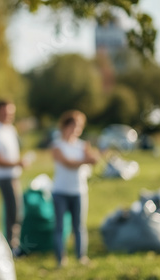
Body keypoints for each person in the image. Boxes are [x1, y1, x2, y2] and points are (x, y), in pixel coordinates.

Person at [51, 110, 99, 268]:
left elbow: (94, 160)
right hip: (60, 192)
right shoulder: (57, 146)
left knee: (79, 227)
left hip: (79, 191)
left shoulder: (82, 145)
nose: (76, 129)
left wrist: (89, 156)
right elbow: (68, 163)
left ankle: (81, 257)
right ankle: (60, 259)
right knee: (60, 227)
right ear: (65, 126)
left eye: (79, 126)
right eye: (73, 125)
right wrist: (86, 159)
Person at [0, 101, 29, 250]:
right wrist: (17, 163)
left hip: (14, 175)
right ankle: (11, 246)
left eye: (10, 112)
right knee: (13, 211)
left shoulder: (10, 129)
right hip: (4, 177)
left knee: (16, 211)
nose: (8, 115)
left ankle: (13, 244)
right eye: (5, 112)